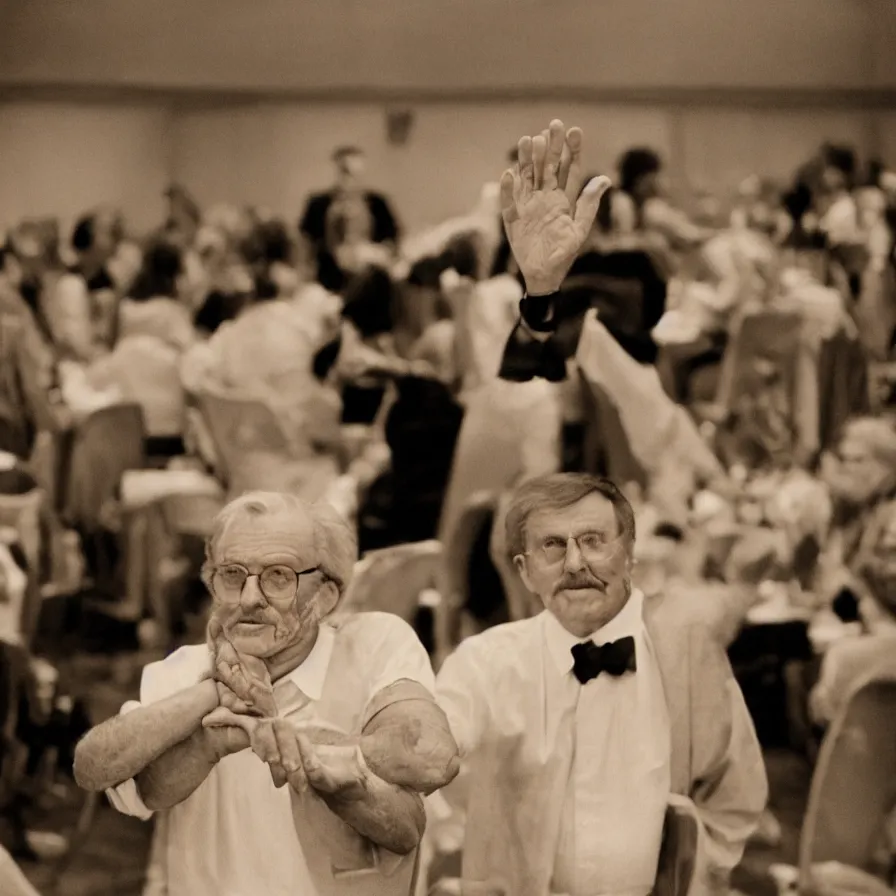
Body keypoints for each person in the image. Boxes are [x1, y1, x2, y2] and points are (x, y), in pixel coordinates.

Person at [73, 490, 459, 896]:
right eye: (232, 575)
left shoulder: (373, 644)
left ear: (326, 595)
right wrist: (214, 695)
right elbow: (96, 768)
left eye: (279, 576)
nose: (250, 598)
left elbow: (432, 758)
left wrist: (307, 746)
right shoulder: (184, 671)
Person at [433, 473, 767, 896]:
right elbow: (433, 750)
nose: (575, 564)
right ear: (525, 570)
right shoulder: (486, 663)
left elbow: (735, 794)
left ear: (629, 554)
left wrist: (697, 877)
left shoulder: (684, 660)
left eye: (593, 541)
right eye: (552, 546)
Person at [299, 146, 399, 293]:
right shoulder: (318, 205)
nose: (351, 180)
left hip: (370, 281)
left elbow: (392, 239)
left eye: (357, 174)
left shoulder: (377, 203)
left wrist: (374, 252)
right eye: (346, 172)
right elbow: (305, 242)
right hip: (328, 279)